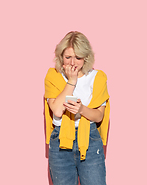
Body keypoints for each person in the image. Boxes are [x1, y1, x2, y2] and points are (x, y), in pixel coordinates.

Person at [44, 31, 110, 185]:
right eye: (68, 57)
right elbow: (58, 110)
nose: (73, 62)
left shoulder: (97, 77)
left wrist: (81, 110)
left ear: (86, 57)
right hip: (60, 141)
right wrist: (71, 81)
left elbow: (99, 116)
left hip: (90, 139)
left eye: (78, 57)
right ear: (61, 56)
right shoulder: (53, 76)